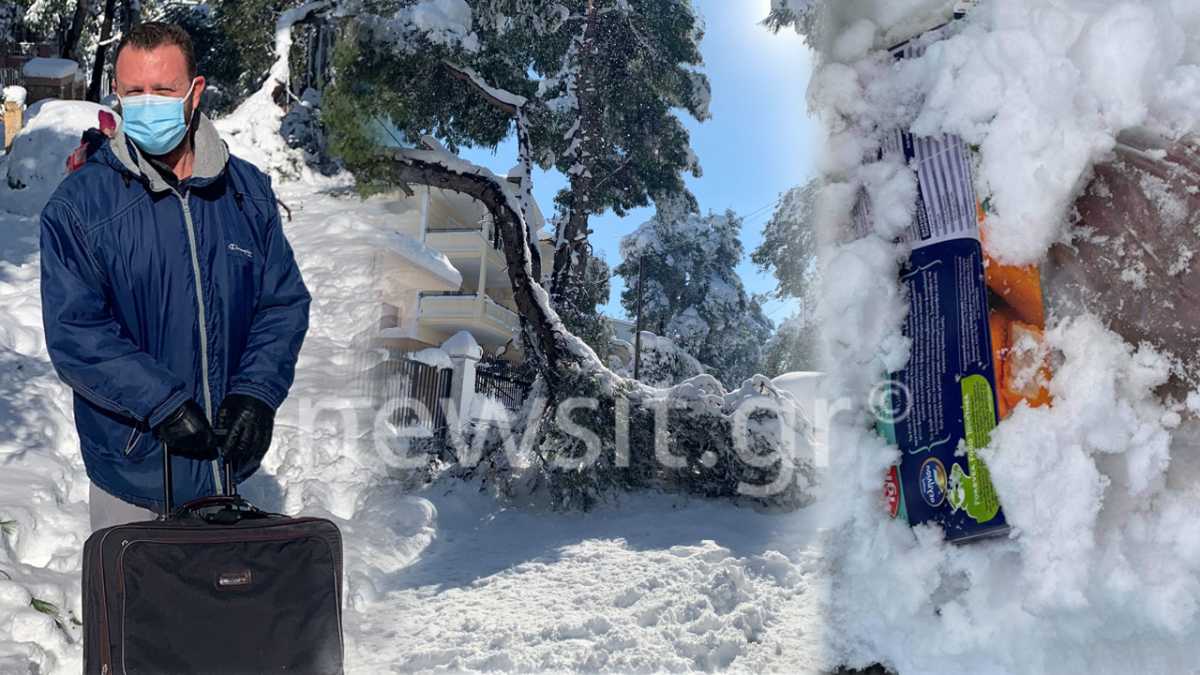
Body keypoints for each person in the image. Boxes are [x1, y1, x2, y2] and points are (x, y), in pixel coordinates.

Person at [39, 22, 310, 530]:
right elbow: (76, 332)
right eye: (134, 91)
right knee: (135, 608)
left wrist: (257, 392)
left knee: (223, 607)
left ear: (194, 92)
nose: (147, 104)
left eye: (162, 90)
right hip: (135, 471)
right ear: (116, 93)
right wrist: (160, 403)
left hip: (227, 468)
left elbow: (282, 304)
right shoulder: (78, 207)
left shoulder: (246, 194)